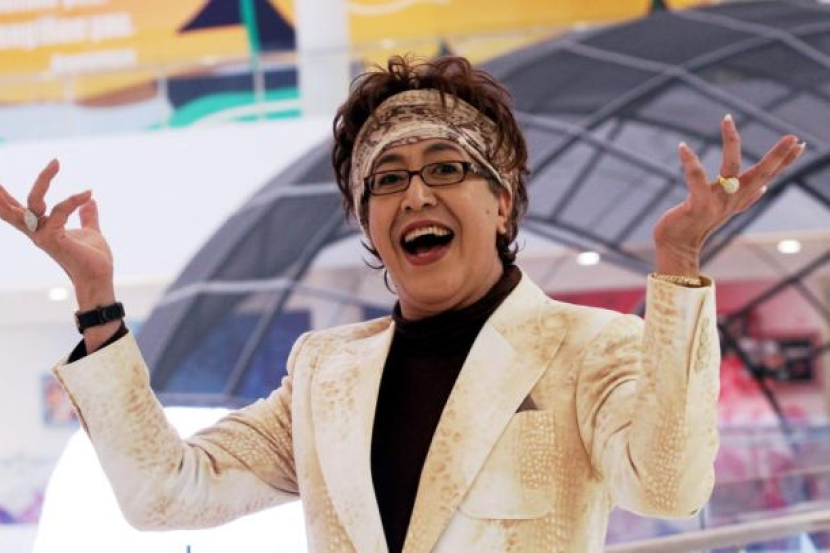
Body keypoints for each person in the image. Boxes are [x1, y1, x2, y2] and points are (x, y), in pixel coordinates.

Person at [0, 56, 805, 552]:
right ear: (369, 225)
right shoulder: (325, 374)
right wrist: (98, 302)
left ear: (502, 204)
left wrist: (678, 265)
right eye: (387, 179)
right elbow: (166, 493)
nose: (415, 192)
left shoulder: (588, 345)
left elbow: (668, 486)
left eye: (446, 167)